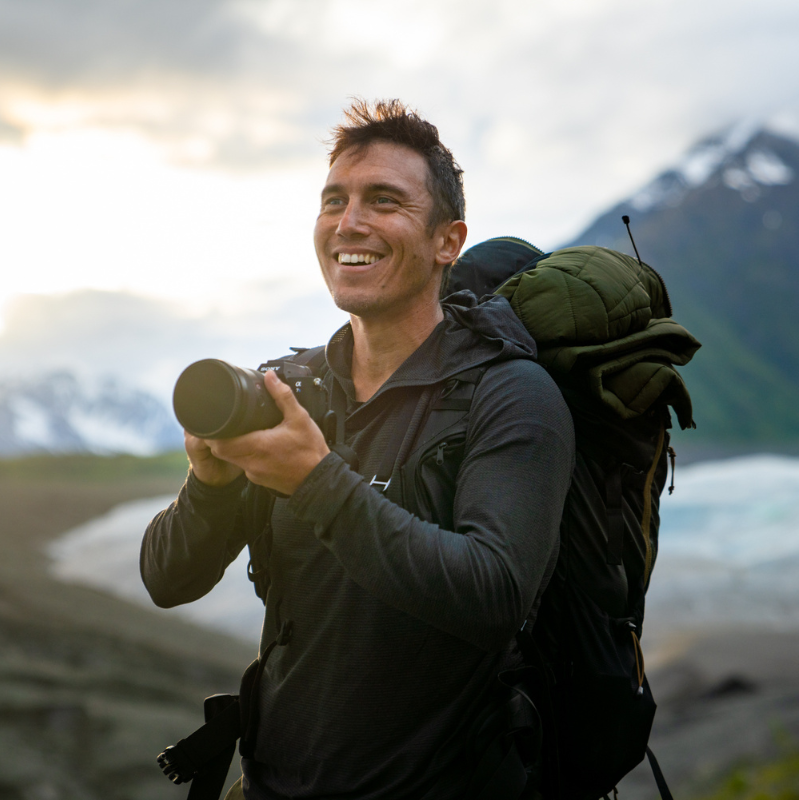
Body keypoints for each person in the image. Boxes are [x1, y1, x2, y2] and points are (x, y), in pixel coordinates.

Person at [141, 99, 575, 800]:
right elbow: (167, 580)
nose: (350, 223)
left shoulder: (509, 395)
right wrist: (209, 483)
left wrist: (316, 481)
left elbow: (494, 596)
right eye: (334, 201)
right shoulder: (291, 390)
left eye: (384, 201)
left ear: (447, 240)